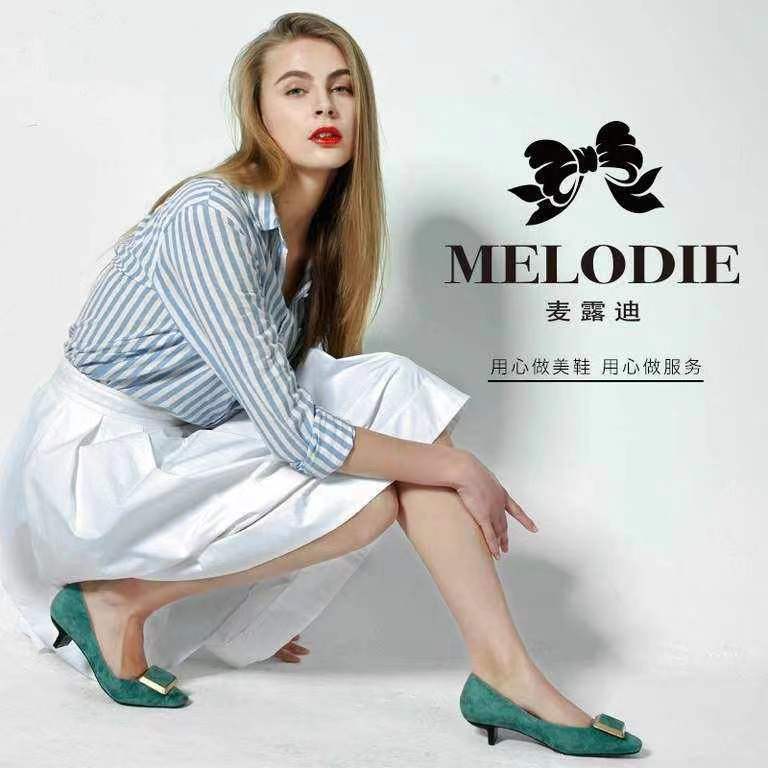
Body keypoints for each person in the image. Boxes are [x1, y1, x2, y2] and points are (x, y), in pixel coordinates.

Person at [0, 12, 641, 756]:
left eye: (342, 88)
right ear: (259, 113)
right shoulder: (211, 217)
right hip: (98, 471)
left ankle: (503, 671)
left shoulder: (320, 236)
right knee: (386, 484)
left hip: (181, 453)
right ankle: (115, 600)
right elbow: (294, 434)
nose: (324, 107)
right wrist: (459, 466)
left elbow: (279, 410)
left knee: (394, 397)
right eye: (296, 89)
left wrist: (274, 560)